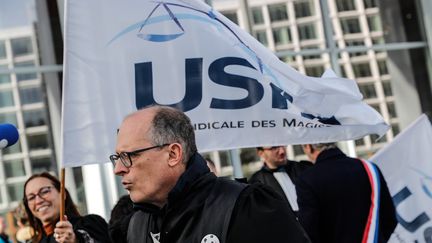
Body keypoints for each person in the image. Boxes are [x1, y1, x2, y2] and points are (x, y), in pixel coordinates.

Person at [112, 105, 310, 243]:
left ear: (173, 154)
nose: (118, 169)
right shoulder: (136, 225)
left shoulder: (245, 207)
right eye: (117, 157)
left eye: (130, 156)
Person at [296, 143, 397, 243]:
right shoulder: (369, 167)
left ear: (308, 147)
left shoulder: (307, 179)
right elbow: (390, 218)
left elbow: (308, 231)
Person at [23, 172, 112, 243]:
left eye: (44, 191)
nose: (38, 201)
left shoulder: (90, 224)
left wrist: (76, 240)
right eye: (31, 198)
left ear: (63, 194)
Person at [249, 146, 312, 215]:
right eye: (274, 148)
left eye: (283, 145)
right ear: (261, 153)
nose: (282, 151)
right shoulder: (257, 182)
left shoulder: (303, 168)